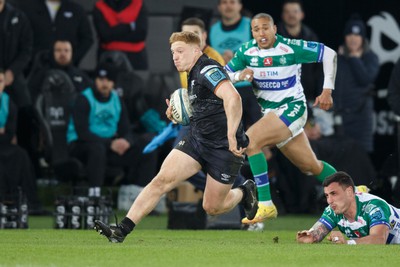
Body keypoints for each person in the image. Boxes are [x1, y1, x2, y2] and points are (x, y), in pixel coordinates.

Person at [94, 31, 258, 243]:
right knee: (160, 181)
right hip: (197, 139)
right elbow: (205, 108)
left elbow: (233, 97)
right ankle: (121, 230)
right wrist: (178, 115)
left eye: (180, 51)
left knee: (212, 207)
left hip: (224, 147)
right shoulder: (191, 72)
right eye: (173, 52)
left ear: (197, 50)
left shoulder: (207, 68)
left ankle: (245, 191)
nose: (175, 57)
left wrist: (231, 134)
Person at [225, 13, 338, 224]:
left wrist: (327, 90)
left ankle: (266, 205)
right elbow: (223, 74)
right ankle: (354, 192)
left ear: (275, 29)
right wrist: (239, 76)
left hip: (293, 109)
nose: (262, 33)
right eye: (257, 29)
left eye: (265, 28)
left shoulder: (291, 47)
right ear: (252, 32)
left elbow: (330, 54)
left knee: (250, 141)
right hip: (272, 116)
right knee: (311, 167)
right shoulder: (246, 52)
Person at [66, 64, 158, 196]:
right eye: (101, 80)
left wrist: (126, 141)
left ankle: (143, 195)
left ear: (113, 83)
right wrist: (110, 143)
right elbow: (82, 133)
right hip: (81, 146)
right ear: (95, 81)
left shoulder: (117, 100)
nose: (104, 84)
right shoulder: (84, 99)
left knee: (148, 147)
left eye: (108, 80)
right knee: (97, 148)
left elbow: (125, 129)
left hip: (109, 147)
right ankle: (94, 195)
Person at [297, 171, 400, 244]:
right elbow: (314, 235)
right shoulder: (333, 210)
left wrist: (347, 243)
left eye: (334, 193)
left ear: (349, 192)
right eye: (327, 195)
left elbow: (379, 239)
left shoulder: (374, 206)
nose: (329, 201)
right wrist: (309, 237)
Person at [209, 0, 261, 130]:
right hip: (226, 90)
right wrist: (220, 60)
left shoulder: (252, 26)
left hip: (254, 89)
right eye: (224, 2)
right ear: (219, 7)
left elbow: (266, 54)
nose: (228, 6)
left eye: (232, 2)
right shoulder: (212, 31)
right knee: (233, 140)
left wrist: (237, 58)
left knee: (261, 139)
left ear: (240, 6)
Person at [334, 15, 379, 154]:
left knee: (360, 157)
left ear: (363, 38)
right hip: (341, 117)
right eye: (350, 34)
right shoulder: (338, 58)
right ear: (345, 37)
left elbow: (365, 78)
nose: (353, 38)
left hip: (361, 118)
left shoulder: (371, 57)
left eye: (357, 35)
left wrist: (354, 58)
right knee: (341, 157)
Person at [0, 69, 42, 213]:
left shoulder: (9, 103)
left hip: (5, 144)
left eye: (0, 81)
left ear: (4, 83)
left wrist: (4, 132)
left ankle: (30, 202)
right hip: (3, 143)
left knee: (21, 155)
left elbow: (10, 131)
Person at [21, 0, 93, 66]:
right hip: (35, 68)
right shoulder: (28, 8)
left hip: (68, 70)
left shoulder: (76, 9)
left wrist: (71, 58)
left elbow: (87, 38)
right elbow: (22, 37)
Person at [28, 39, 93, 100]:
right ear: (53, 53)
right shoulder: (42, 75)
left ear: (71, 53)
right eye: (58, 50)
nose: (63, 54)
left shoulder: (80, 75)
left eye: (66, 50)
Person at [93, 0, 148, 70]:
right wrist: (129, 26)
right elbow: (105, 36)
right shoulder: (100, 6)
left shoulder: (138, 4)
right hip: (108, 56)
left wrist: (113, 33)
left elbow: (141, 35)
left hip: (136, 57)